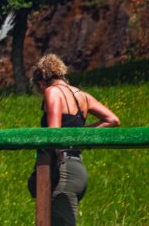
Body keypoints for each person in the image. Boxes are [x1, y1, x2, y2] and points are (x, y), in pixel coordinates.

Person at [27, 53, 120, 226]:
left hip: (62, 171)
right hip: (77, 169)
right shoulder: (81, 95)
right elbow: (112, 120)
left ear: (41, 83)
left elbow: (54, 133)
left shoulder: (52, 92)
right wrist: (79, 134)